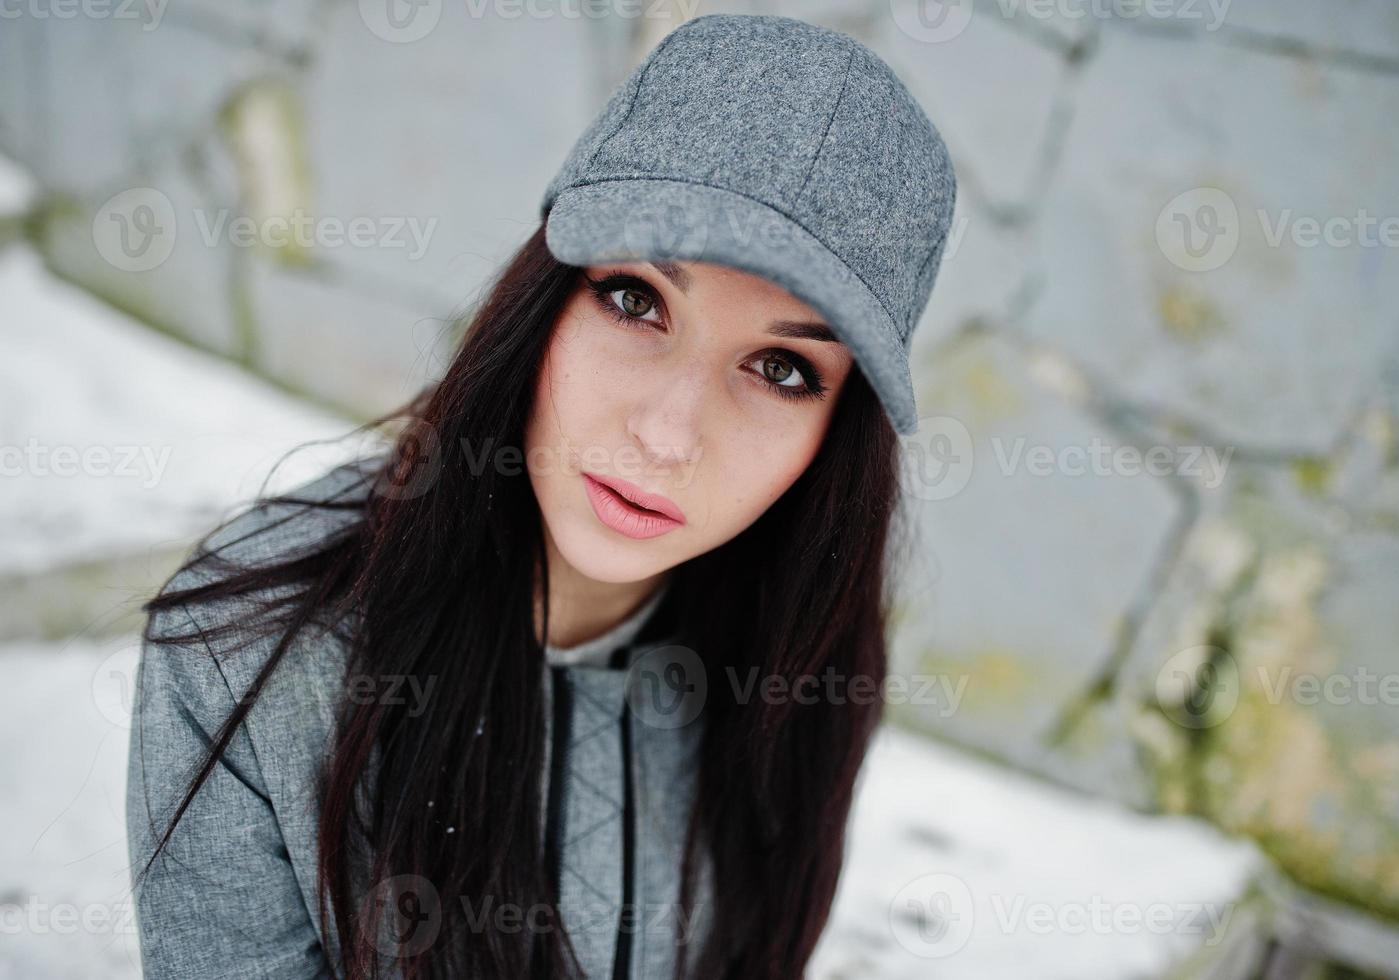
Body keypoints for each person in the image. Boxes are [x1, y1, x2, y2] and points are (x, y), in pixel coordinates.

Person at [125, 12, 956, 979]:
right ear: (543, 298)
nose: (666, 435)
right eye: (637, 301)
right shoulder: (250, 651)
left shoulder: (795, 665)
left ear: (835, 437)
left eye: (778, 368)